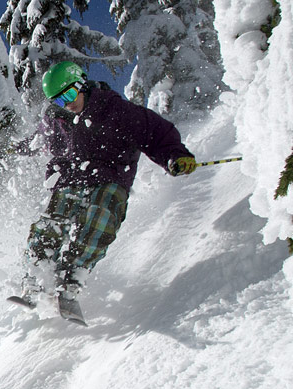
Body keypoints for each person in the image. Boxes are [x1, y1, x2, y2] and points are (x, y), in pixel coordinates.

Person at [17, 61, 197, 316]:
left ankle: (69, 281)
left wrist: (174, 156)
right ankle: (35, 278)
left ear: (80, 84)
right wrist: (21, 147)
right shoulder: (57, 119)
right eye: (58, 101)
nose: (66, 104)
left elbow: (155, 132)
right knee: (50, 225)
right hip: (69, 178)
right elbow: (40, 139)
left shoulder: (115, 110)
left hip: (111, 177)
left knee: (99, 220)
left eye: (68, 95)